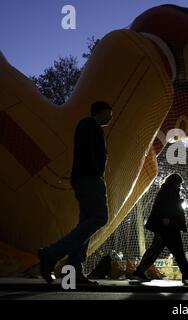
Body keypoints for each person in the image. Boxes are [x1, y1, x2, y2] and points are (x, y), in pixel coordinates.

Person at [38, 101, 112, 285]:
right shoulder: (89, 125)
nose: (111, 116)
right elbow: (88, 153)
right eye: (109, 112)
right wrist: (95, 173)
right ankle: (52, 253)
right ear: (102, 111)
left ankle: (74, 271)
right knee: (100, 217)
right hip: (89, 179)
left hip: (86, 178)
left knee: (86, 222)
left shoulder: (89, 126)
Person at [131, 173, 188, 283]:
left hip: (165, 226)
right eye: (179, 183)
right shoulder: (168, 191)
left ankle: (139, 271)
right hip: (168, 226)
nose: (180, 186)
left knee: (156, 249)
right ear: (174, 182)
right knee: (176, 250)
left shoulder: (167, 190)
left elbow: (164, 205)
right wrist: (166, 217)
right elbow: (165, 206)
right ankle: (186, 273)